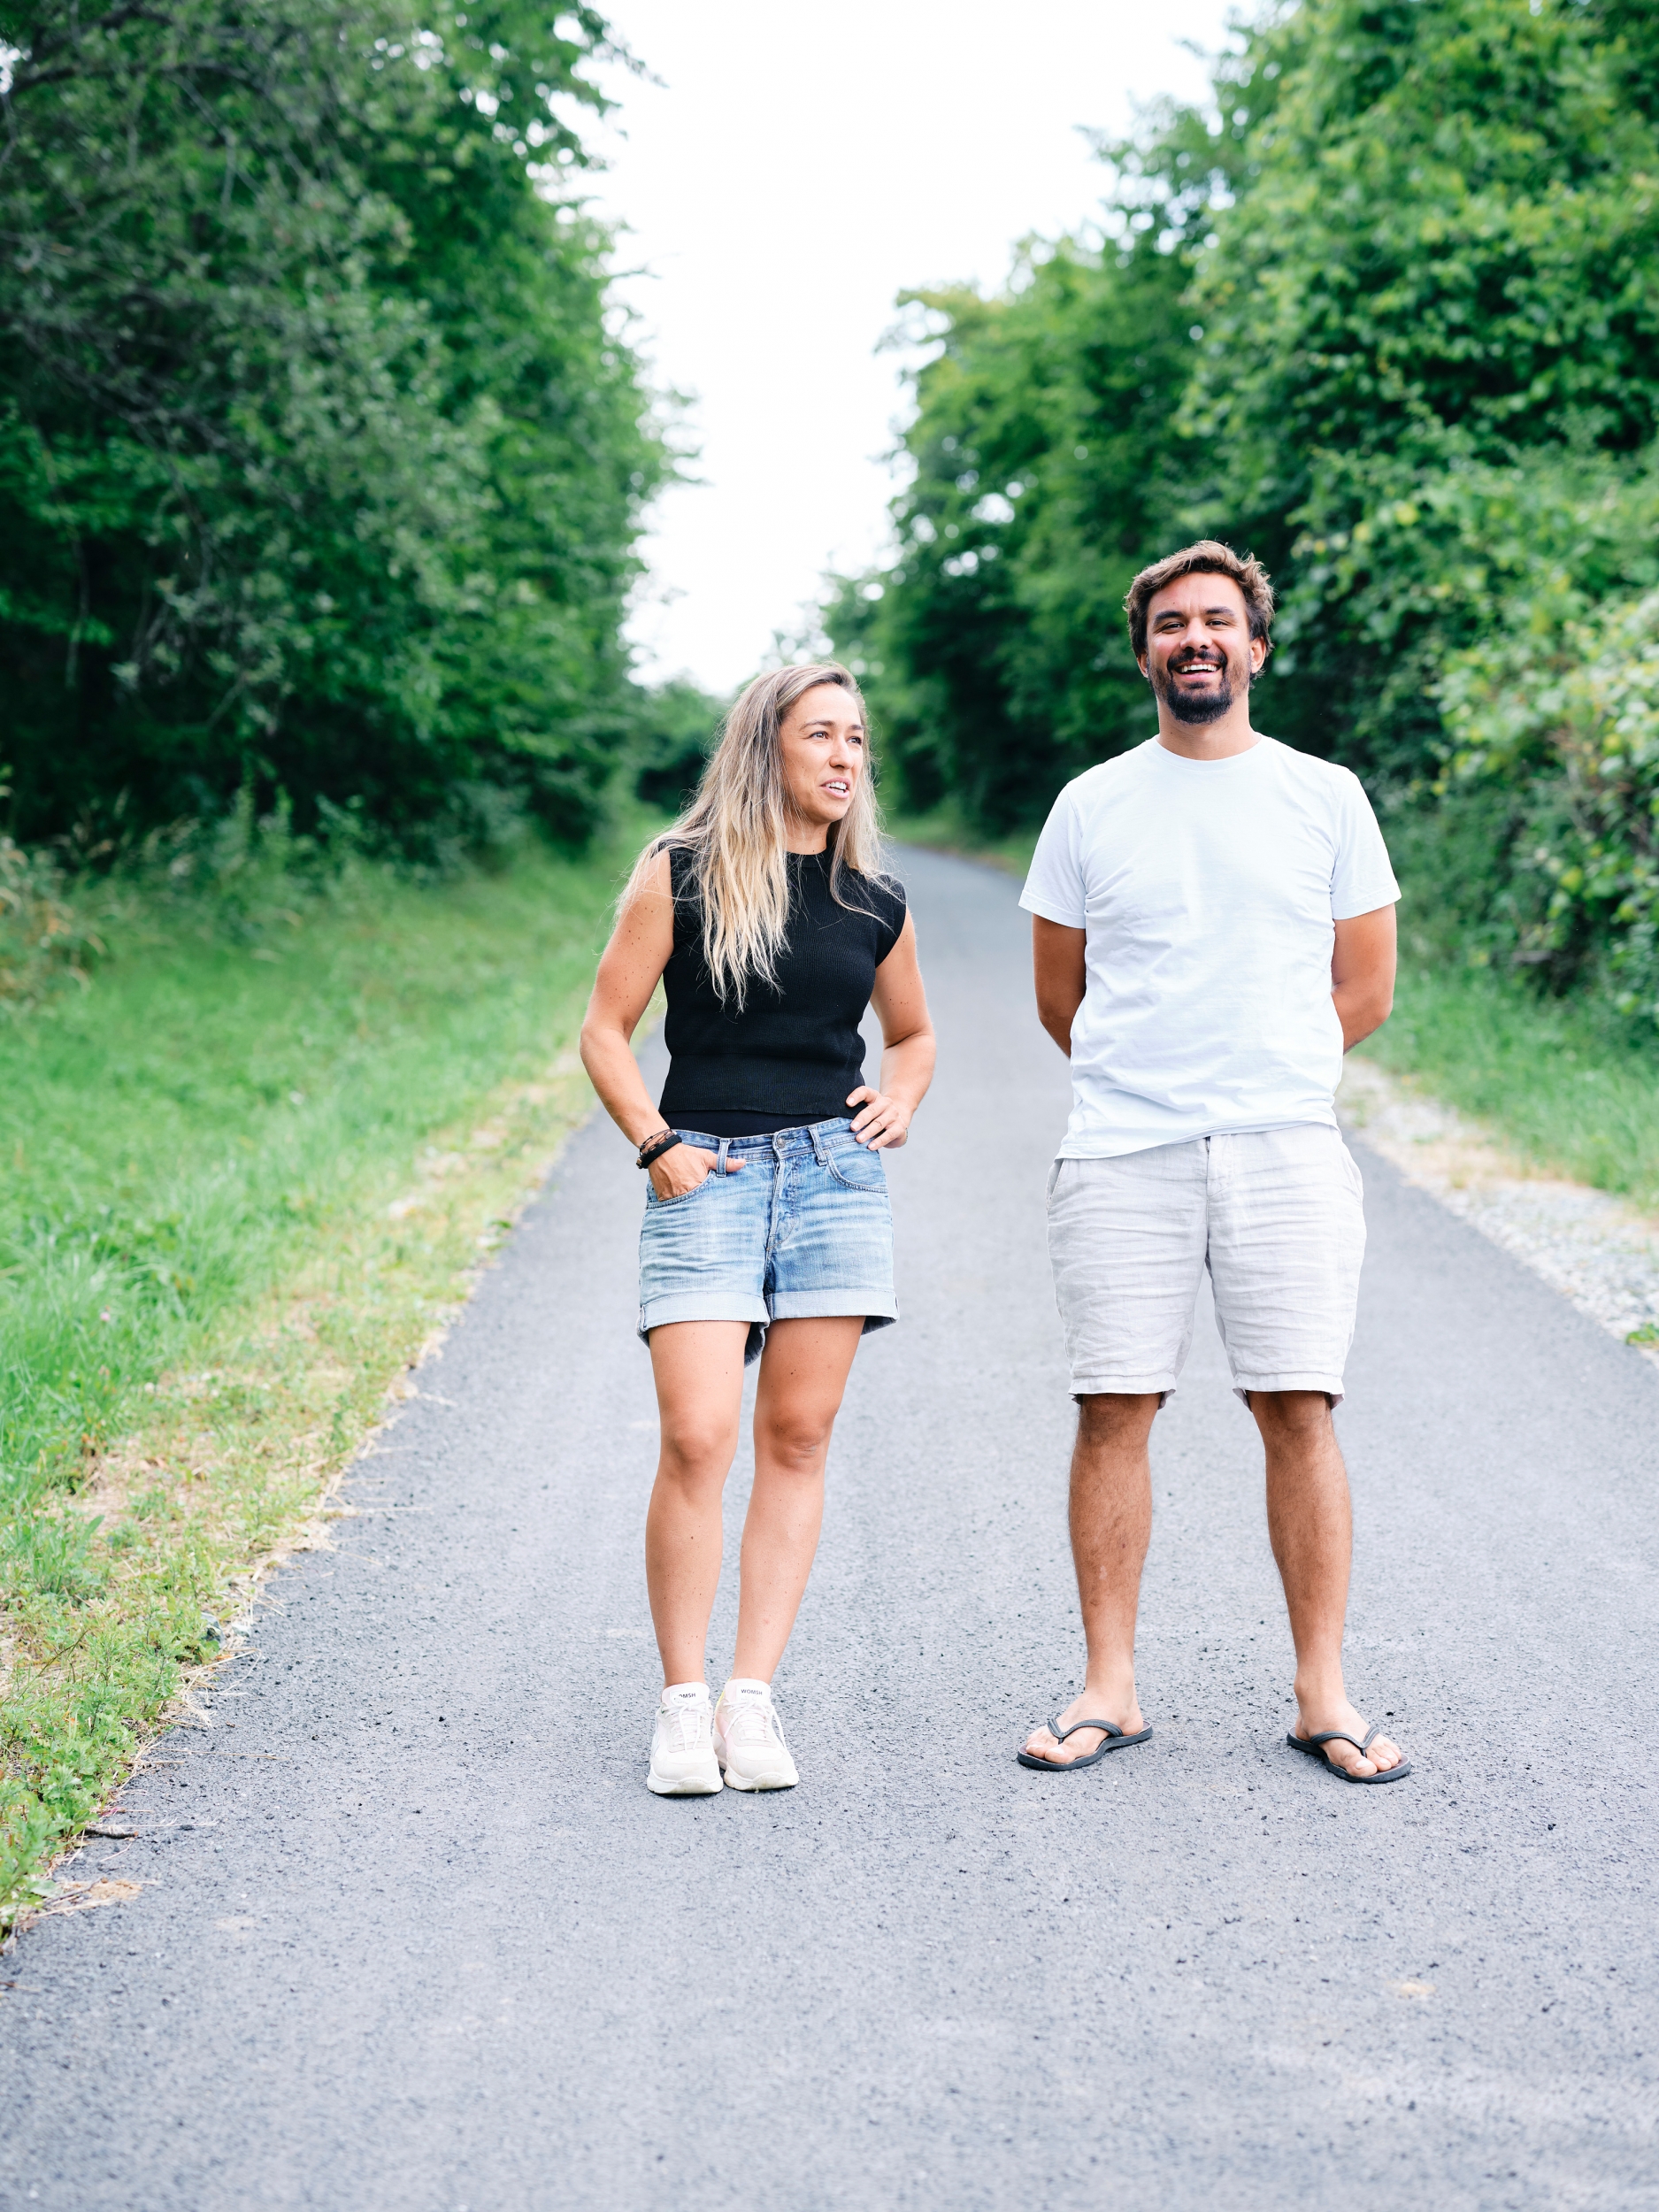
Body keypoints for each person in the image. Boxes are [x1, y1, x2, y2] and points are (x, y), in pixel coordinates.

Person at [1016, 541, 1410, 1785]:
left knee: (1297, 1408)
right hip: (1122, 1149)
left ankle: (1320, 1695)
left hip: (1284, 1146)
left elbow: (1363, 986)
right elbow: (1057, 1000)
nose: (1195, 640)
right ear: (1143, 653)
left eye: (1217, 622)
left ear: (1254, 647)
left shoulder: (1323, 795)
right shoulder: (1089, 804)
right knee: (1111, 1409)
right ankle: (1106, 1689)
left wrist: (1262, 1067)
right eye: (1171, 624)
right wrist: (1158, 1075)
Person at [580, 663, 935, 1796]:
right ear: (765, 747)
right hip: (706, 1177)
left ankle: (751, 1695)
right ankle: (683, 1704)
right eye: (822, 734)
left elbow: (915, 1034)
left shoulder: (875, 901)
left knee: (797, 1439)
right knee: (697, 1435)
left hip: (835, 1178)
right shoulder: (679, 874)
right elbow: (604, 1028)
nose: (845, 757)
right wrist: (655, 1142)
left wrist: (905, 1093)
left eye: (858, 740)